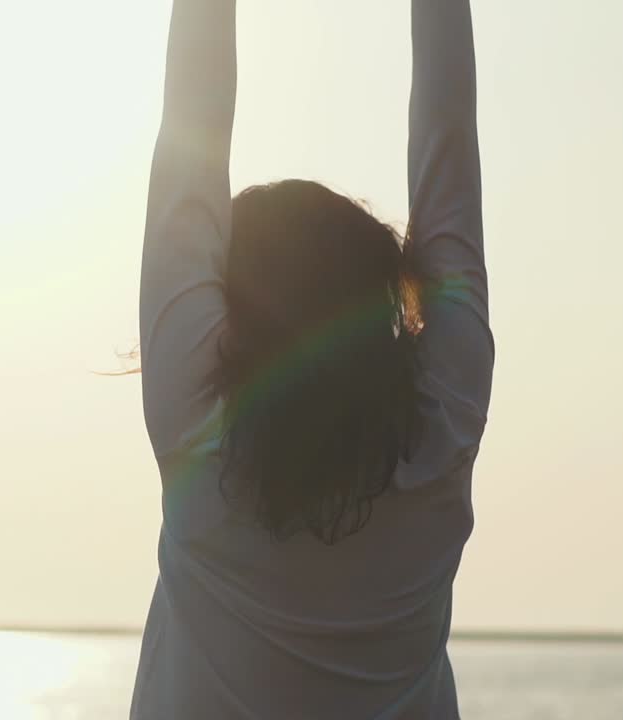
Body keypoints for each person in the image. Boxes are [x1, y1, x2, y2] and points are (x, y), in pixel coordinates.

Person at [133, 0, 492, 716]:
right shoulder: (440, 429)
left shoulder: (196, 423)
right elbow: (448, 144)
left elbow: (190, 129)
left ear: (227, 307)